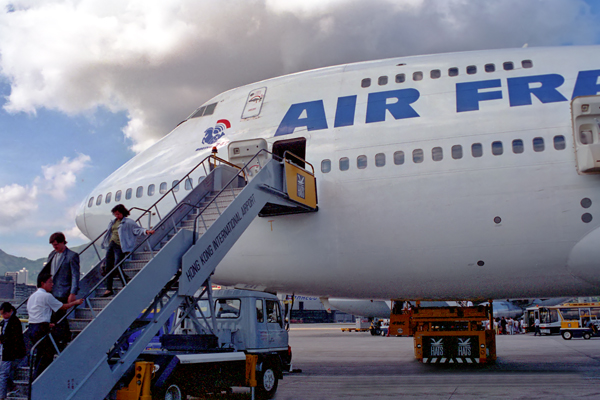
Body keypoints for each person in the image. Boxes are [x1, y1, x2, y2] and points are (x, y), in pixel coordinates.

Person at [27, 273, 83, 379]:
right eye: (50, 282)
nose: (52, 284)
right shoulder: (46, 296)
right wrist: (76, 302)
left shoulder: (32, 296)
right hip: (41, 328)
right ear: (43, 283)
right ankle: (39, 380)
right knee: (47, 355)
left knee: (40, 355)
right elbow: (62, 307)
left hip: (32, 327)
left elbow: (37, 313)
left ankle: (35, 380)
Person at [100, 204, 154, 297]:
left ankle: (126, 281)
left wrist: (146, 231)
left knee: (117, 265)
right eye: (115, 214)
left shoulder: (128, 222)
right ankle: (109, 289)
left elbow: (137, 229)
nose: (117, 216)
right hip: (112, 244)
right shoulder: (113, 222)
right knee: (108, 267)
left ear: (123, 213)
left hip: (120, 246)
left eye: (118, 214)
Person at [40, 232, 80, 349]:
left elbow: (75, 275)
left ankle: (63, 339)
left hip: (64, 290)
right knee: (53, 316)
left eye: (56, 244)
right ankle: (60, 338)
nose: (55, 247)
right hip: (51, 291)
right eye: (53, 245)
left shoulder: (72, 256)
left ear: (63, 242)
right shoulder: (52, 254)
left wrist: (73, 292)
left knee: (59, 315)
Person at [0, 303, 25, 400]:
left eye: (4, 314)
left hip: (10, 353)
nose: (3, 316)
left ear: (10, 311)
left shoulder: (14, 322)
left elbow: (13, 338)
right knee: (5, 373)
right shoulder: (6, 322)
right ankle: (12, 389)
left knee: (3, 374)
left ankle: (2, 395)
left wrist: (3, 339)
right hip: (7, 352)